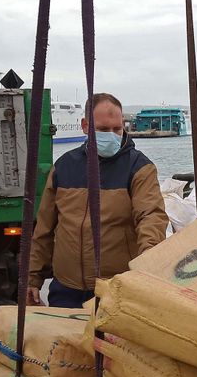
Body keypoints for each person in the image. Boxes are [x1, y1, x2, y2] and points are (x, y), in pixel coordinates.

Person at [28, 93, 166, 308]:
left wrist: (148, 258)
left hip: (116, 289)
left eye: (117, 129)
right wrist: (32, 277)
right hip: (66, 289)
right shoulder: (64, 166)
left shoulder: (139, 168)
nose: (111, 135)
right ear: (85, 126)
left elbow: (150, 216)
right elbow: (44, 227)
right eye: (102, 130)